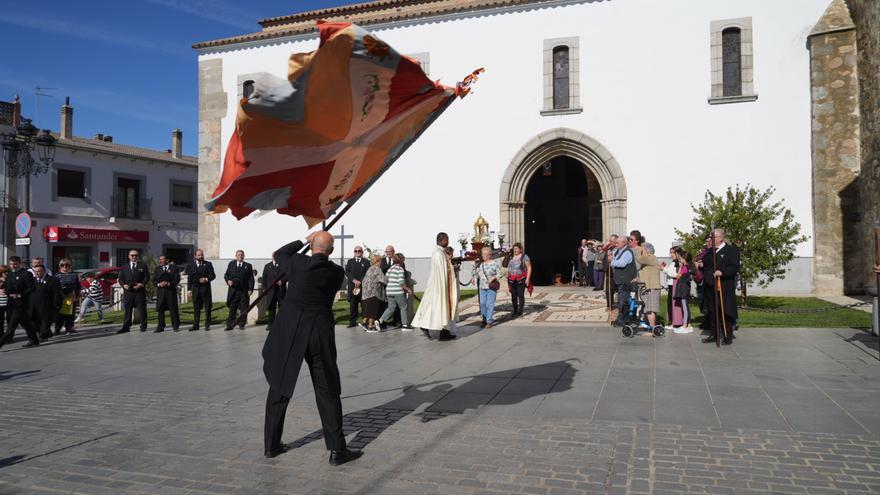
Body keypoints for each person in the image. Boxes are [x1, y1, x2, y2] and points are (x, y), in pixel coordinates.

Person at [261, 231, 361, 465]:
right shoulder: (336, 273)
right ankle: (337, 450)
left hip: (291, 332)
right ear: (332, 251)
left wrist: (302, 241)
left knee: (279, 386)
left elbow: (280, 253)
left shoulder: (297, 262)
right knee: (327, 389)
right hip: (318, 333)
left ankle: (271, 446)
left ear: (312, 246)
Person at [412, 232, 459, 341]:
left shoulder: (440, 252)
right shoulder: (438, 254)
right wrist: (452, 269)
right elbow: (442, 272)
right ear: (441, 240)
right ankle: (432, 328)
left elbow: (446, 269)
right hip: (440, 287)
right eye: (447, 239)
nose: (448, 242)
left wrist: (452, 266)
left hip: (441, 285)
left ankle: (444, 331)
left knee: (437, 308)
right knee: (439, 308)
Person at [697, 229, 740, 345]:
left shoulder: (731, 250)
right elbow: (706, 266)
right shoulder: (710, 251)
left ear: (720, 238)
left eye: (712, 237)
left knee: (725, 310)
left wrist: (722, 272)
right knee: (712, 311)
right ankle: (714, 334)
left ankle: (728, 335)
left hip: (724, 285)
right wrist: (701, 265)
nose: (710, 239)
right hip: (709, 286)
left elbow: (735, 267)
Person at [0, 256, 37, 348]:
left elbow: (31, 288)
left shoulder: (26, 273)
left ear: (20, 263)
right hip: (11, 303)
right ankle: (34, 340)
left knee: (11, 327)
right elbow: (7, 287)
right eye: (11, 264)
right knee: (26, 324)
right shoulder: (9, 274)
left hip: (21, 304)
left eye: (15, 264)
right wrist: (2, 290)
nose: (13, 266)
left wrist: (20, 294)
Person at [117, 250, 150, 334]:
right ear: (129, 256)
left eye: (136, 255)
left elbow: (147, 277)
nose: (134, 257)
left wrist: (142, 284)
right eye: (132, 255)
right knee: (128, 310)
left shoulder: (143, 266)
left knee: (142, 309)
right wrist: (123, 285)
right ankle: (126, 327)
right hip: (128, 292)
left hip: (139, 292)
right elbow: (120, 279)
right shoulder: (124, 267)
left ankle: (143, 326)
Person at [379, 253, 413, 330]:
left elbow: (385, 279)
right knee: (403, 307)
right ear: (401, 261)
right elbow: (401, 282)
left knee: (391, 308)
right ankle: (404, 325)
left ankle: (380, 320)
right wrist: (408, 289)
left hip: (389, 291)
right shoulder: (400, 269)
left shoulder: (390, 269)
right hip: (398, 291)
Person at [185, 249, 216, 331]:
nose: (201, 256)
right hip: (195, 289)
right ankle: (196, 325)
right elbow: (189, 278)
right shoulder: (191, 265)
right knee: (196, 307)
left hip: (205, 289)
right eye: (199, 255)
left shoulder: (208, 264)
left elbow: (213, 276)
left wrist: (206, 279)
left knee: (207, 307)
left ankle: (207, 324)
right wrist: (189, 290)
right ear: (195, 256)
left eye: (202, 255)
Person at [224, 250, 255, 330]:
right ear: (236, 256)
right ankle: (230, 325)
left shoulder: (248, 266)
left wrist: (251, 289)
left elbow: (251, 279)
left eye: (242, 255)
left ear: (244, 256)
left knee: (244, 308)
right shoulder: (231, 264)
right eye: (238, 255)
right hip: (233, 291)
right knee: (232, 308)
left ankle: (242, 324)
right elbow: (226, 275)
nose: (240, 256)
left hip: (244, 291)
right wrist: (228, 281)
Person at [610, 236, 636, 326]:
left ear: (624, 243)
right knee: (620, 300)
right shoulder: (618, 251)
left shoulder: (627, 252)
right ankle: (620, 318)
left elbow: (622, 263)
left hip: (625, 280)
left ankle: (623, 320)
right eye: (615, 242)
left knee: (623, 300)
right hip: (619, 280)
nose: (615, 244)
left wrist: (612, 261)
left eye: (617, 243)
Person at [31, 265, 60, 341]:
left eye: (39, 271)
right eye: (35, 271)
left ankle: (43, 336)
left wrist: (56, 304)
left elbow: (56, 293)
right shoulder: (32, 280)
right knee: (36, 322)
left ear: (44, 271)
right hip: (35, 305)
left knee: (45, 321)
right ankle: (46, 333)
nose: (37, 273)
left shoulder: (51, 280)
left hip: (47, 305)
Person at [475, 246, 501, 328]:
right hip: (482, 287)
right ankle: (484, 319)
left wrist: (494, 277)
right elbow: (477, 273)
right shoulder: (481, 264)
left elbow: (500, 274)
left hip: (491, 287)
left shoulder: (494, 263)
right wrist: (473, 275)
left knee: (490, 304)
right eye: (482, 254)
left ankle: (489, 321)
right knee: (482, 304)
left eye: (485, 254)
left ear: (489, 255)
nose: (483, 256)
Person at [636, 243, 661, 328]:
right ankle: (652, 327)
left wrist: (639, 250)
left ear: (647, 251)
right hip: (649, 287)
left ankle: (652, 330)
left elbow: (639, 259)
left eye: (643, 250)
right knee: (649, 309)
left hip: (652, 287)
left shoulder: (651, 257)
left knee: (650, 309)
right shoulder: (648, 260)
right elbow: (646, 274)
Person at [154, 255, 181, 332]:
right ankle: (161, 326)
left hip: (170, 292)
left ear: (167, 260)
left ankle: (175, 325)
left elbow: (177, 279)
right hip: (161, 293)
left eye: (162, 259)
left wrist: (169, 284)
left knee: (173, 309)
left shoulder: (174, 268)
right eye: (160, 259)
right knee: (160, 310)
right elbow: (154, 280)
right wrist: (159, 284)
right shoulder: (157, 269)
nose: (161, 261)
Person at [344, 246, 369, 328]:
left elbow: (367, 273)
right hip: (353, 286)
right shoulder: (350, 261)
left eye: (359, 251)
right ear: (354, 252)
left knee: (364, 305)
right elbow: (347, 272)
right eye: (356, 251)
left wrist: (360, 281)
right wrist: (354, 280)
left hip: (362, 286)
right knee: (353, 305)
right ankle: (352, 322)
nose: (357, 252)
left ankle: (365, 321)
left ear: (362, 252)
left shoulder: (366, 261)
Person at [360, 254, 386, 333]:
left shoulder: (370, 268)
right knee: (372, 310)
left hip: (366, 292)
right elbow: (383, 280)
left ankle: (364, 323)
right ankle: (370, 326)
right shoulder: (377, 269)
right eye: (381, 261)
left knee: (368, 309)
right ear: (378, 261)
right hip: (374, 292)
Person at [53, 258, 80, 335]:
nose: (65, 266)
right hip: (61, 297)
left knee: (70, 313)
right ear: (60, 266)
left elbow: (77, 286)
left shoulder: (74, 275)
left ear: (70, 266)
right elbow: (55, 287)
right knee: (59, 314)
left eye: (67, 265)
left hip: (71, 297)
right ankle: (57, 329)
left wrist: (77, 295)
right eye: (62, 265)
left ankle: (69, 328)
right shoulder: (57, 275)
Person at [671, 248, 695, 333]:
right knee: (686, 306)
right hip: (685, 288)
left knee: (685, 306)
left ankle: (685, 326)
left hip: (683, 288)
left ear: (685, 259)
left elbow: (678, 276)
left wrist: (681, 267)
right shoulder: (689, 266)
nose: (680, 260)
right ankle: (688, 325)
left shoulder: (685, 267)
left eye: (681, 258)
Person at [506, 242, 532, 318]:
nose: (515, 250)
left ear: (520, 250)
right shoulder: (511, 257)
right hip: (511, 279)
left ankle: (520, 311)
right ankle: (515, 310)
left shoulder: (524, 257)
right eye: (514, 249)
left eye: (516, 249)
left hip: (521, 278)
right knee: (513, 294)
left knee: (520, 294)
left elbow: (529, 267)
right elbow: (507, 267)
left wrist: (527, 278)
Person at [262, 255, 286, 331]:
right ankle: (270, 324)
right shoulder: (267, 266)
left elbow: (287, 275)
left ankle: (281, 323)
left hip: (280, 290)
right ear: (272, 257)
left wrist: (282, 281)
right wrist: (264, 288)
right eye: (273, 256)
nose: (275, 257)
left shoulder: (283, 265)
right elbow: (264, 278)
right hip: (270, 291)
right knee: (271, 307)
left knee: (282, 307)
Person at [660, 248, 680, 330]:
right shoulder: (673, 262)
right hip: (671, 285)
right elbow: (670, 271)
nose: (671, 254)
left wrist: (664, 269)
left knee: (673, 304)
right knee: (670, 304)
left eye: (673, 253)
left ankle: (674, 323)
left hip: (674, 284)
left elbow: (675, 274)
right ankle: (672, 322)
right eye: (670, 252)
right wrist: (665, 267)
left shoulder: (677, 263)